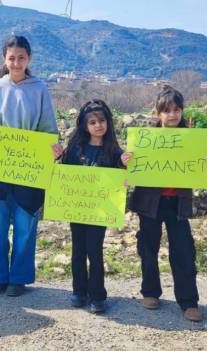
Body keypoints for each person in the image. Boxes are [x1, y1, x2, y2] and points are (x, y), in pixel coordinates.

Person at [0, 35, 60, 297]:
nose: (16, 62)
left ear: (28, 58)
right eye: (11, 58)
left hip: (29, 171)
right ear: (4, 59)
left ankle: (18, 279)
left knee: (25, 227)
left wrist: (53, 148)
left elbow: (48, 129)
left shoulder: (40, 89)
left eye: (21, 58)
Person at [122, 86, 207, 322]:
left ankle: (188, 301)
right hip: (148, 204)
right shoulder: (145, 139)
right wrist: (125, 161)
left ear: (182, 111)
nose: (172, 115)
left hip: (178, 204)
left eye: (177, 110)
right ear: (158, 112)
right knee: (148, 248)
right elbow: (128, 169)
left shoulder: (193, 139)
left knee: (184, 251)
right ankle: (150, 292)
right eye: (167, 110)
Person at [60, 99, 123, 314]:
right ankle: (79, 291)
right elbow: (64, 175)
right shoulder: (75, 149)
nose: (98, 125)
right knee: (78, 250)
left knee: (94, 251)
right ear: (85, 126)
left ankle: (98, 295)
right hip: (77, 210)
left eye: (102, 121)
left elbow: (123, 177)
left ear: (108, 123)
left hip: (100, 212)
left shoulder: (114, 152)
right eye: (93, 122)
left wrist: (126, 166)